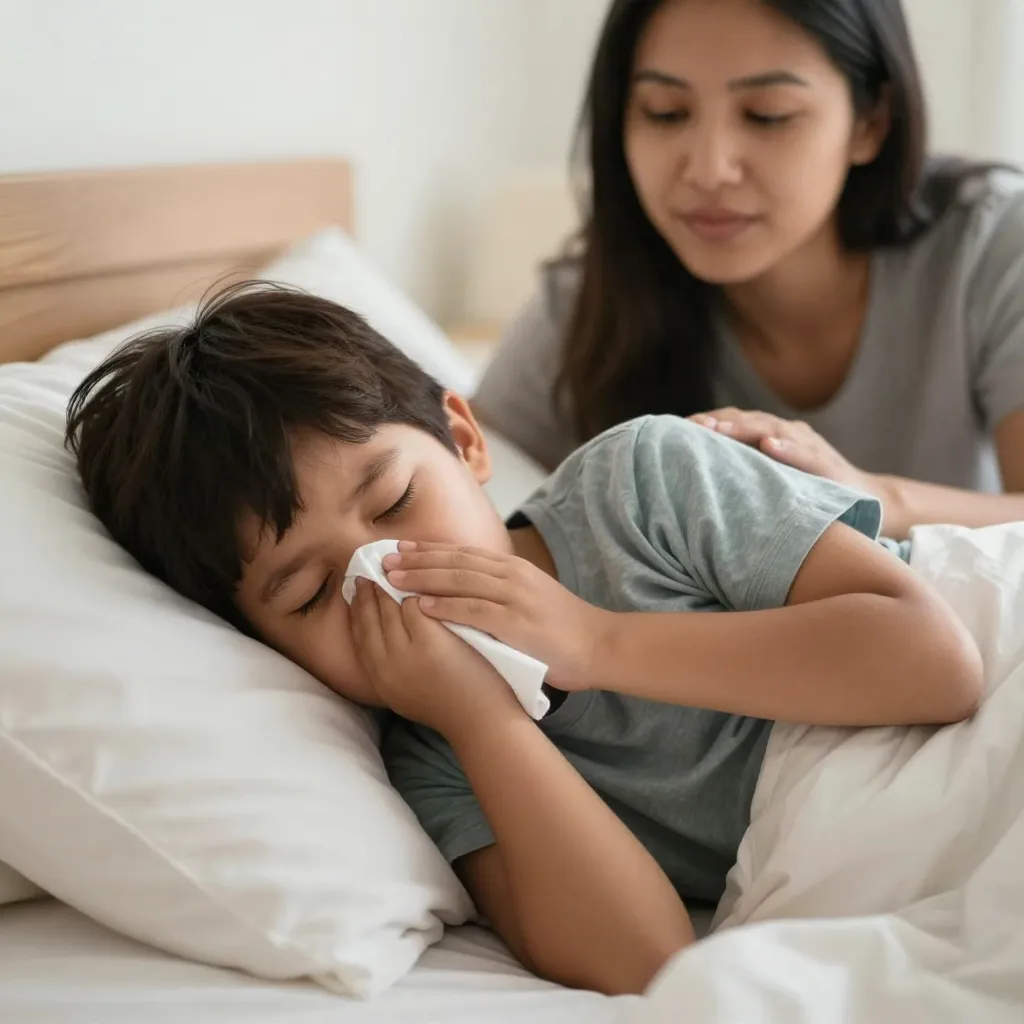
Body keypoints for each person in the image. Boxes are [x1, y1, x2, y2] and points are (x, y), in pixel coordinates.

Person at [64, 283, 983, 996]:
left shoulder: (642, 487)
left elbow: (937, 665)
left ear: (464, 441)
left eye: (393, 502)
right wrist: (483, 722)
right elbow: (647, 964)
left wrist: (596, 642)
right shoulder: (434, 754)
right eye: (310, 594)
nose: (388, 575)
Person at [473, 0, 1024, 540]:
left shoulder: (993, 244)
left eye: (768, 115)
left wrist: (872, 497)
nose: (709, 169)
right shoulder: (594, 297)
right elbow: (466, 475)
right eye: (665, 111)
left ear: (871, 121)